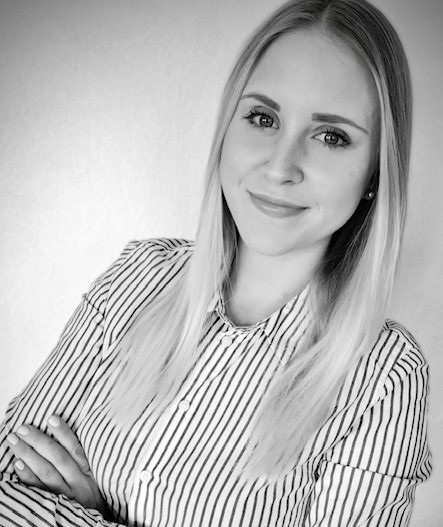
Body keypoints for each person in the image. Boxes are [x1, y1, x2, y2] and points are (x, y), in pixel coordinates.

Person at [0, 0, 432, 525]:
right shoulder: (136, 276)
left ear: (375, 172)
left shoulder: (385, 378)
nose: (280, 167)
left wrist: (88, 511)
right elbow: (6, 478)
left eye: (331, 136)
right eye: (263, 118)